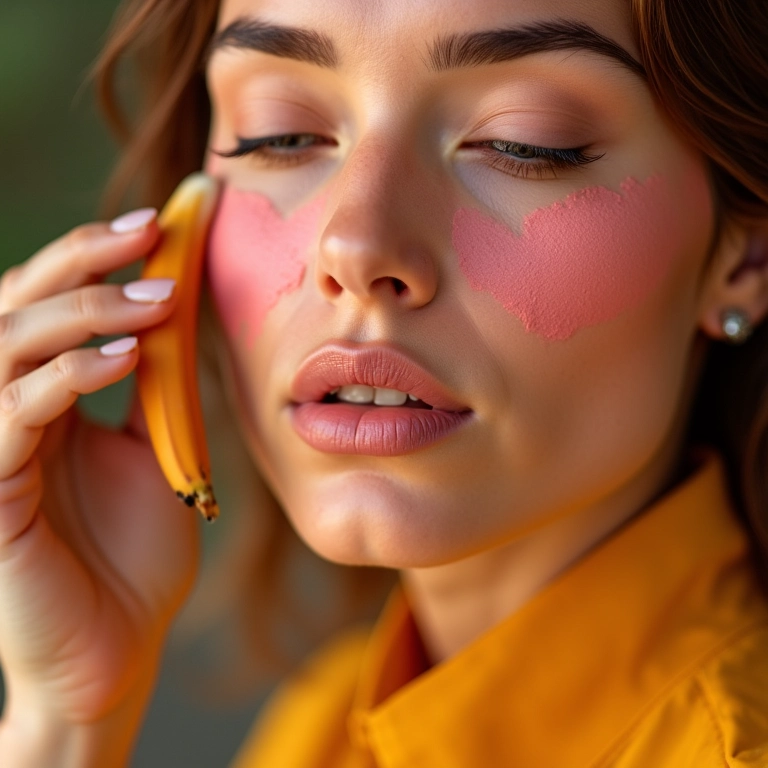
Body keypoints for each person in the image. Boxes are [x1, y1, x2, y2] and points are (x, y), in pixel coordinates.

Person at [1, 0, 767, 765]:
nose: (355, 245)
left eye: (522, 141)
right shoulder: (321, 730)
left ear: (748, 255)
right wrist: (69, 725)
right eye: (281, 134)